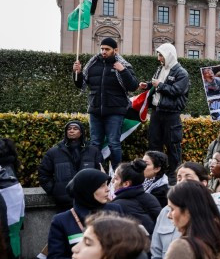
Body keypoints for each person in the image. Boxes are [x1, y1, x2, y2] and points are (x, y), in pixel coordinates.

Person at [72, 37, 139, 169]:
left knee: (114, 143)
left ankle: (116, 174)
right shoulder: (92, 64)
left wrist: (123, 71)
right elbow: (81, 85)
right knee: (94, 143)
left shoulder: (123, 65)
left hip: (115, 111)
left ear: (115, 50)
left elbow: (133, 86)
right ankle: (95, 172)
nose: (103, 51)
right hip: (95, 110)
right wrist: (78, 73)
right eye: (102, 48)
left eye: (107, 49)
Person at [46, 169, 124, 259]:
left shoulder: (115, 210)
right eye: (102, 186)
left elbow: (128, 247)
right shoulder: (62, 221)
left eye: (107, 184)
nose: (107, 189)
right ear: (87, 190)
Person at [139, 43, 190, 184]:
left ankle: (174, 178)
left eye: (161, 55)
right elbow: (156, 84)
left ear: (169, 55)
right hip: (156, 112)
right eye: (158, 55)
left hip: (171, 114)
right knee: (154, 143)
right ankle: (155, 176)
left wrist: (159, 86)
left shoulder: (182, 73)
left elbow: (176, 91)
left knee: (173, 145)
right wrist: (148, 85)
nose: (158, 58)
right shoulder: (160, 69)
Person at [150, 162, 209, 259]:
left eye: (188, 177)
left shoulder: (215, 211)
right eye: (179, 178)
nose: (182, 182)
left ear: (203, 183)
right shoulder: (165, 211)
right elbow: (156, 254)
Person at [38, 119, 102, 210]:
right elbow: (43, 173)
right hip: (63, 202)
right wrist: (54, 190)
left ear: (81, 133)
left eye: (75, 128)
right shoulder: (54, 152)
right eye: (69, 129)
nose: (71, 131)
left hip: (88, 200)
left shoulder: (93, 151)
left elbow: (100, 173)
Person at [111, 159, 163, 234]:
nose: (112, 181)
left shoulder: (118, 205)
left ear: (126, 184)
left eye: (116, 178)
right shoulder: (150, 197)